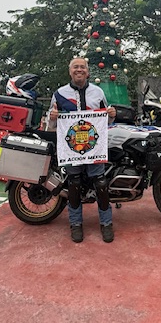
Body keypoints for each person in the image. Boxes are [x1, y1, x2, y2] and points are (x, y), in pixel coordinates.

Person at [47, 57, 117, 243]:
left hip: (94, 148)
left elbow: (105, 120)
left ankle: (106, 223)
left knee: (101, 184)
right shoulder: (59, 94)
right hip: (71, 149)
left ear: (88, 71)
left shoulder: (98, 92)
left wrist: (111, 115)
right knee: (74, 185)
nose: (79, 70)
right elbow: (51, 124)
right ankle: (75, 224)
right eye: (75, 67)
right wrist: (52, 117)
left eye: (82, 67)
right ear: (70, 71)